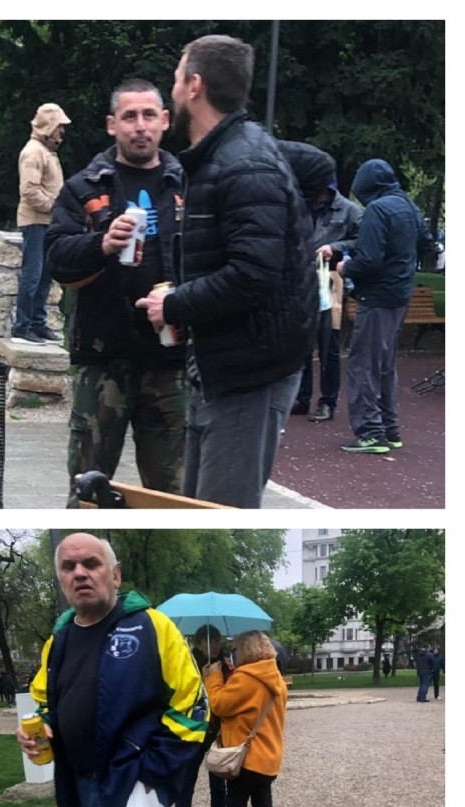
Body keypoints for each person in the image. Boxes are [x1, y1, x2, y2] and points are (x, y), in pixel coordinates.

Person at [17, 533, 206, 807]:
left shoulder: (152, 626)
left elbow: (194, 709)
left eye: (91, 563)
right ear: (61, 579)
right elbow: (43, 701)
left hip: (135, 783)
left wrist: (151, 775)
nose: (80, 573)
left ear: (115, 574)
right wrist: (39, 727)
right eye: (68, 566)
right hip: (85, 782)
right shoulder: (58, 639)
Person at [137, 35, 317, 508]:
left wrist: (174, 303)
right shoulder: (225, 154)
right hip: (225, 366)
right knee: (195, 507)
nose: (171, 89)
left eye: (176, 77)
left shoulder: (243, 163)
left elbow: (253, 275)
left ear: (194, 85)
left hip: (248, 376)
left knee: (219, 512)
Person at [47, 79, 187, 503]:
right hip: (103, 358)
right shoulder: (84, 187)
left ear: (164, 121)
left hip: (171, 360)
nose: (139, 126)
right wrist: (101, 243)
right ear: (112, 125)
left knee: (176, 497)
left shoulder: (189, 185)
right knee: (87, 489)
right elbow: (56, 258)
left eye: (149, 116)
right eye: (129, 116)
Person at [337, 158, 434, 453]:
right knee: (384, 364)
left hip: (376, 296)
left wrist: (345, 268)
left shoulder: (377, 210)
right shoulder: (408, 205)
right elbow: (427, 244)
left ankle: (370, 432)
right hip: (399, 294)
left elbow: (369, 259)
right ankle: (389, 428)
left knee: (363, 363)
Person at [278, 144, 362, 421]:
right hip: (301, 280)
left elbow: (363, 239)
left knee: (328, 345)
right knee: (301, 343)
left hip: (330, 281)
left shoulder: (348, 210)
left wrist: (334, 246)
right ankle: (301, 398)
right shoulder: (298, 204)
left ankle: (327, 401)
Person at [200, 630, 287, 807]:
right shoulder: (276, 677)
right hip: (269, 755)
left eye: (236, 648)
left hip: (246, 757)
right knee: (262, 804)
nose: (234, 653)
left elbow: (219, 704)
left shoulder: (246, 678)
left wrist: (214, 678)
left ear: (245, 650)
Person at [164, 625, 230, 807]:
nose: (217, 645)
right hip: (193, 732)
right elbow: (180, 692)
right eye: (211, 642)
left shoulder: (227, 665)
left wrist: (218, 677)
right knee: (184, 787)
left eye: (219, 641)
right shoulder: (188, 663)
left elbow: (229, 697)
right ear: (200, 643)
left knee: (218, 788)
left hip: (217, 732)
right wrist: (203, 677)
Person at [12, 102, 70, 345]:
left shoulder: (46, 151)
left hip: (47, 223)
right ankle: (22, 325)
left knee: (45, 275)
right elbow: (29, 190)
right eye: (59, 127)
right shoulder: (33, 152)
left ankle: (38, 323)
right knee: (32, 275)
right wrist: (54, 207)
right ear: (49, 127)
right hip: (35, 222)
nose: (62, 132)